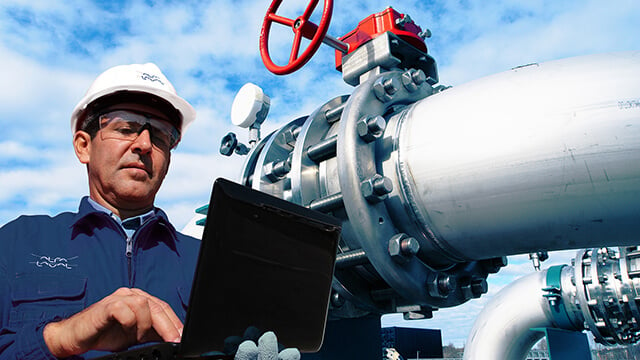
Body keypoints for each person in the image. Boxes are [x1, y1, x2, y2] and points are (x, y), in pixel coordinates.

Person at [0, 63, 299, 360]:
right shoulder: (17, 243)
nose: (144, 144)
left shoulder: (209, 263)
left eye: (160, 135)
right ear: (83, 146)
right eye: (126, 128)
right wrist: (61, 338)